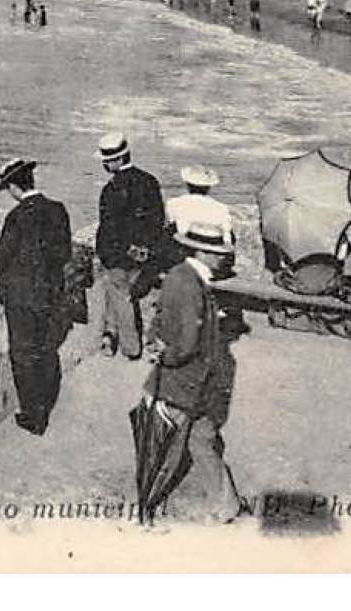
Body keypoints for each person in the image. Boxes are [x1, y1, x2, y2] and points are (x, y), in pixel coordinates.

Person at [146, 222, 242, 523]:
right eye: (215, 253)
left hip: (193, 381)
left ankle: (227, 505)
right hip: (185, 382)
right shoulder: (189, 284)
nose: (222, 258)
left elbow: (163, 321)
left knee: (201, 440)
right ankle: (147, 506)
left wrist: (160, 348)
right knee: (170, 448)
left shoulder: (183, 277)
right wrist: (168, 356)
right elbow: (186, 342)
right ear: (200, 252)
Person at [0, 159, 73, 435]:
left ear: (14, 187)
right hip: (50, 293)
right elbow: (64, 254)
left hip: (22, 298)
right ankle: (45, 403)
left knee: (23, 354)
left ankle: (33, 415)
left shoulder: (16, 217)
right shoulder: (57, 210)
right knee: (46, 349)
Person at [94, 132, 168, 361]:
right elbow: (158, 220)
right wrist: (146, 248)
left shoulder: (111, 189)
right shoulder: (150, 181)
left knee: (119, 292)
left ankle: (130, 347)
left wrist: (108, 254)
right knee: (121, 292)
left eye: (106, 161)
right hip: (148, 255)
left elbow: (109, 228)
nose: (105, 165)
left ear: (116, 160)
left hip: (120, 255)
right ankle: (110, 335)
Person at [164, 166, 233, 246]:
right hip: (216, 243)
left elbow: (173, 225)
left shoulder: (175, 202)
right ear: (208, 187)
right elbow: (227, 232)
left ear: (187, 185)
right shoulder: (221, 207)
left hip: (187, 243)